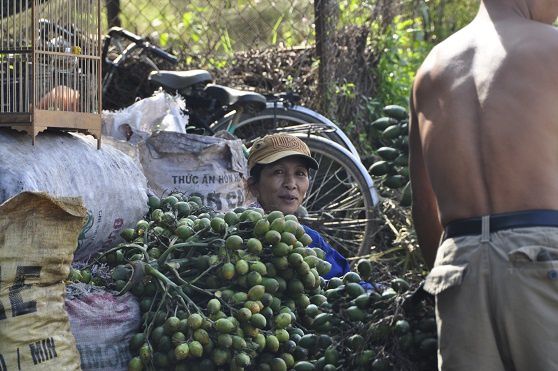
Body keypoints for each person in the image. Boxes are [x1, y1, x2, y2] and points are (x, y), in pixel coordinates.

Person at [409, 0, 558, 370]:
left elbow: (424, 205)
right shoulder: (552, 48)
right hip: (543, 257)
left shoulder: (430, 70)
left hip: (458, 267)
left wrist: (446, 277)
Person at [246, 133, 350, 280]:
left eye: (300, 173)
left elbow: (347, 281)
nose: (291, 184)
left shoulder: (311, 241)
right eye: (278, 172)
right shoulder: (238, 236)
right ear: (253, 185)